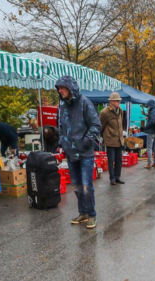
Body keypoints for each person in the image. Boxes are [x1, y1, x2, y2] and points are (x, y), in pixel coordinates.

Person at [55, 76, 101, 229]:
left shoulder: (85, 103)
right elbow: (60, 126)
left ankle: (92, 214)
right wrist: (62, 140)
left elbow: (95, 125)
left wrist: (85, 141)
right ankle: (83, 213)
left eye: (62, 87)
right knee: (76, 185)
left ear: (70, 87)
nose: (59, 91)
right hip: (70, 153)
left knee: (87, 185)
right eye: (58, 88)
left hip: (85, 153)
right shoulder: (62, 105)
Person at [99, 92, 126, 186]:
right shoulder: (104, 112)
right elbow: (100, 127)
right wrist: (104, 137)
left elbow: (120, 123)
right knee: (111, 160)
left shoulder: (120, 110)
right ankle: (112, 178)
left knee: (119, 160)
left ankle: (117, 176)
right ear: (111, 101)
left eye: (119, 100)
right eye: (116, 100)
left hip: (119, 139)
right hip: (110, 140)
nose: (118, 102)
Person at [143, 99, 155, 170]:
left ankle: (149, 163)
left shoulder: (153, 111)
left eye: (148, 106)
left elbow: (153, 121)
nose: (147, 107)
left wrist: (146, 127)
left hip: (151, 131)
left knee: (149, 147)